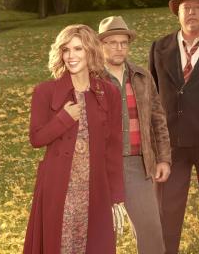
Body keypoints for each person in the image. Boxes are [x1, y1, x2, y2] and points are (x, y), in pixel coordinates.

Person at [23, 24, 125, 254]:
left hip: (95, 186)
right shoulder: (45, 91)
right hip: (59, 186)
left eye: (78, 49)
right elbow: (36, 138)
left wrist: (117, 195)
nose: (71, 56)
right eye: (66, 50)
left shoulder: (108, 93)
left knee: (92, 245)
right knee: (59, 245)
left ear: (90, 52)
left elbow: (114, 148)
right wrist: (63, 119)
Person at [149, 0, 199, 254]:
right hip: (171, 145)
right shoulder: (160, 47)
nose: (191, 12)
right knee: (167, 212)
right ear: (178, 14)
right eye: (186, 8)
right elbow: (152, 97)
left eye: (197, 8)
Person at [98, 16, 171, 254]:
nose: (119, 48)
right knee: (102, 234)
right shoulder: (92, 79)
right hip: (102, 167)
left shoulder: (142, 77)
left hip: (137, 165)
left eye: (123, 43)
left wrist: (163, 158)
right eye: (112, 42)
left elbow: (157, 119)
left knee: (151, 231)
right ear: (101, 45)